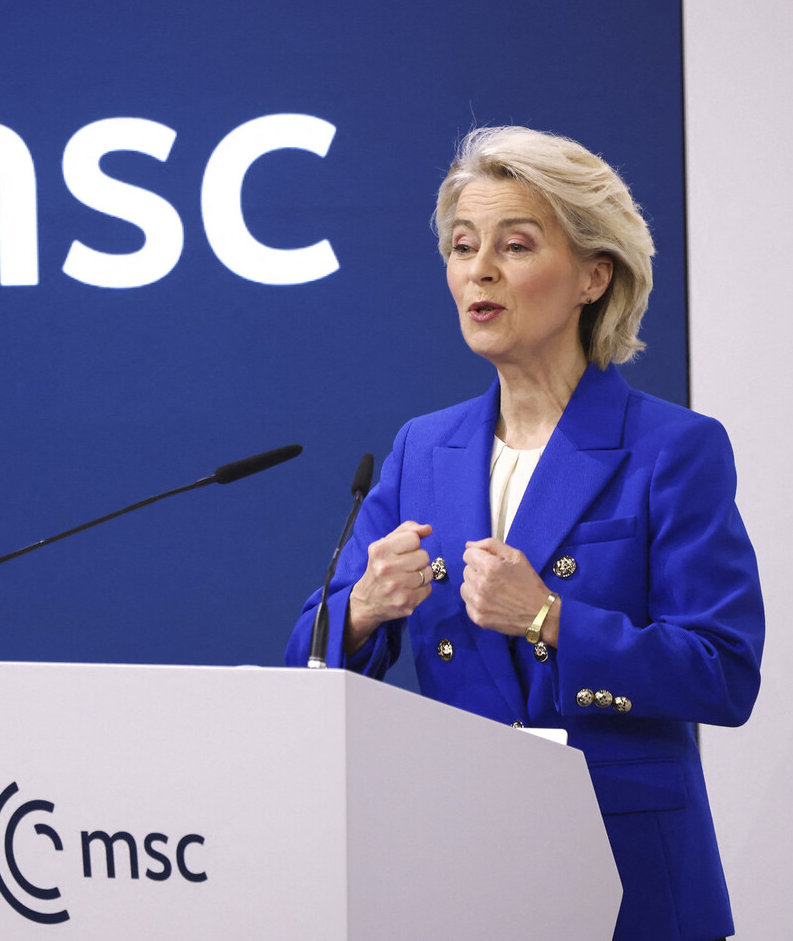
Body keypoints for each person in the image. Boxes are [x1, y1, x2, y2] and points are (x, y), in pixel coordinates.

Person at [284, 126, 764, 941]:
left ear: (593, 276)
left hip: (628, 873)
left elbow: (724, 674)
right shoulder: (422, 450)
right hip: (466, 862)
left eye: (515, 245)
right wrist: (362, 607)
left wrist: (549, 618)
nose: (480, 269)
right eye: (463, 246)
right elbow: (306, 657)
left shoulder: (673, 449)